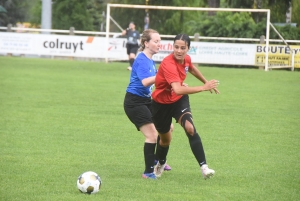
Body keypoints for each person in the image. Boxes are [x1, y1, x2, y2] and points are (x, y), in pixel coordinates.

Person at [151, 33, 220, 180]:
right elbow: (178, 89)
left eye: (183, 48)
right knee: (165, 140)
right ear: (172, 47)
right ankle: (161, 163)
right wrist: (203, 87)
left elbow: (192, 68)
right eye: (176, 47)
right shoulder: (168, 63)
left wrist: (206, 82)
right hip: (160, 104)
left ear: (188, 48)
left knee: (190, 128)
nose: (179, 51)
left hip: (178, 100)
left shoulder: (186, 59)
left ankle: (204, 167)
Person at [123, 29, 172, 180]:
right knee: (152, 135)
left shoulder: (150, 60)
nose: (159, 44)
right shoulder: (142, 59)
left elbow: (157, 83)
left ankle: (157, 158)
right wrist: (163, 77)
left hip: (146, 100)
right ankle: (148, 172)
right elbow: (145, 82)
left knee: (167, 127)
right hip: (134, 102)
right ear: (146, 43)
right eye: (156, 41)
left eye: (160, 41)